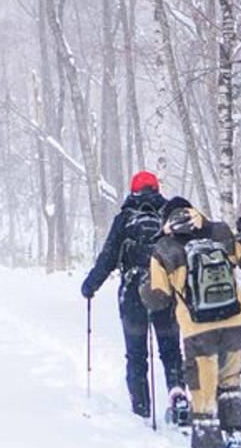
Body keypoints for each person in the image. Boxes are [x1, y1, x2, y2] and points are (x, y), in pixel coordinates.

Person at [140, 205, 241, 448]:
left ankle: (209, 444)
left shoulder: (164, 248)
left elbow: (157, 298)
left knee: (202, 383)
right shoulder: (219, 231)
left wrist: (145, 284)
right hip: (234, 319)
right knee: (230, 378)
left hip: (198, 327)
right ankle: (235, 434)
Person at [80, 171, 189, 419]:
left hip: (132, 296)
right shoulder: (168, 218)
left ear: (133, 190)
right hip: (165, 293)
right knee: (171, 350)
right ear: (156, 189)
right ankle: (177, 394)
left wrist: (90, 286)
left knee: (136, 354)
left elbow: (108, 258)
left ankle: (140, 410)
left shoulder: (124, 219)